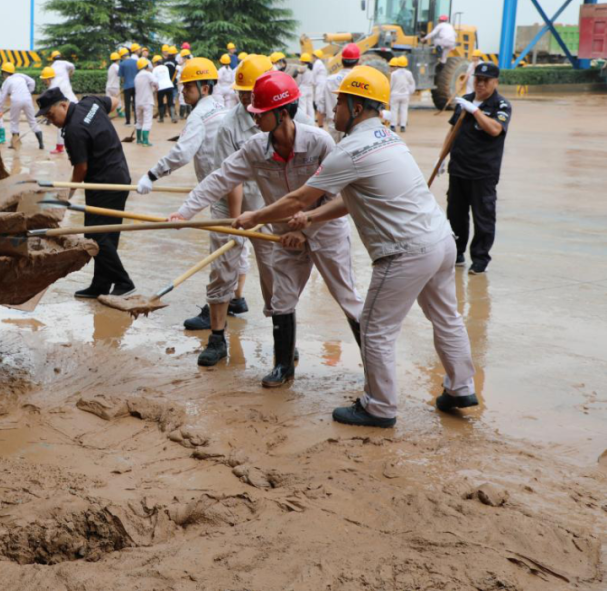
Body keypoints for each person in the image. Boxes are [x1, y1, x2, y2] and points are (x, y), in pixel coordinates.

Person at [233, 66, 478, 427]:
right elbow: (352, 200)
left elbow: (298, 198)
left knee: (375, 329)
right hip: (440, 241)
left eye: (340, 103)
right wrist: (312, 219)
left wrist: (254, 216)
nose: (333, 110)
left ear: (357, 107)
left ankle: (379, 407)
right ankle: (461, 388)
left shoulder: (349, 150)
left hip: (404, 251)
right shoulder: (390, 138)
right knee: (446, 318)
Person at [174, 70, 363, 384]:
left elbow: (337, 196)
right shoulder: (255, 148)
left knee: (346, 297)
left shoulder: (319, 142)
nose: (254, 118)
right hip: (284, 234)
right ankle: (283, 367)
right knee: (281, 299)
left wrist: (304, 230)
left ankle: (373, 367)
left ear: (283, 113)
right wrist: (184, 212)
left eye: (261, 113)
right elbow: (221, 178)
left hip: (325, 230)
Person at [137, 58, 234, 365]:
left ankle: (217, 332)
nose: (182, 92)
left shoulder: (200, 115)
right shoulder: (222, 107)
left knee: (222, 258)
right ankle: (236, 301)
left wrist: (152, 174)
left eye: (187, 87)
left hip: (221, 191)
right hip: (232, 187)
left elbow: (182, 152)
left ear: (204, 88)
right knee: (238, 250)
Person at [179, 54, 274, 333]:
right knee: (223, 265)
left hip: (268, 201)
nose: (245, 99)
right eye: (241, 93)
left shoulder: (294, 118)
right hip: (227, 197)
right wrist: (235, 225)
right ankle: (217, 336)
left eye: (250, 93)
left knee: (273, 268)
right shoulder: (229, 124)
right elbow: (230, 178)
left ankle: (283, 337)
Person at [37, 88, 135, 299]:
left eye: (51, 115)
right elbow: (115, 102)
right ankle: (101, 284)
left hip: (104, 184)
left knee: (95, 235)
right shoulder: (90, 102)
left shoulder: (73, 130)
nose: (51, 121)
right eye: (47, 118)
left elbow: (81, 169)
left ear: (63, 105)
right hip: (120, 175)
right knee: (108, 234)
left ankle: (123, 282)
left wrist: (67, 194)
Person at [446, 61, 512, 275]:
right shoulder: (464, 101)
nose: (481, 84)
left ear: (495, 82)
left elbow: (495, 129)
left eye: (486, 80)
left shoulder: (501, 105)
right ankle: (457, 253)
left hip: (483, 172)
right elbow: (452, 131)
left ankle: (480, 259)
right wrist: (443, 157)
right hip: (458, 169)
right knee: (455, 215)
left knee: (483, 217)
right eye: (478, 80)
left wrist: (475, 111)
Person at [320, 44, 360, 143]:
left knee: (333, 150)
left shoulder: (329, 80)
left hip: (332, 123)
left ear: (342, 60)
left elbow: (321, 103)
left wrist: (320, 124)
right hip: (351, 125)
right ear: (358, 61)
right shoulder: (358, 81)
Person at [0, 62, 42, 150]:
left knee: (14, 121)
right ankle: (41, 144)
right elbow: (32, 82)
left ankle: (15, 143)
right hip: (27, 98)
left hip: (15, 100)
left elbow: (3, 96)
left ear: (4, 73)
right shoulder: (20, 75)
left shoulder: (7, 81)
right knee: (32, 120)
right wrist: (29, 91)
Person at [49, 51, 78, 154]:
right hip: (74, 101)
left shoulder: (52, 69)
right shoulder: (65, 63)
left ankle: (59, 147)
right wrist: (70, 74)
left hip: (63, 103)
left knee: (60, 124)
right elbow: (72, 66)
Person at [388, 56, 416, 133]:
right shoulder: (409, 73)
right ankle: (403, 126)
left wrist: (389, 93)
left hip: (395, 95)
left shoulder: (394, 74)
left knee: (394, 110)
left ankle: (393, 125)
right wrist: (409, 92)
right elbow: (412, 84)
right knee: (404, 110)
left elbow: (391, 85)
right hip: (405, 95)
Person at [133, 58, 157, 147]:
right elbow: (155, 82)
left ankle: (139, 140)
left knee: (139, 121)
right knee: (147, 121)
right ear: (147, 66)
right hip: (147, 101)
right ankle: (145, 141)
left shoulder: (137, 76)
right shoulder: (148, 74)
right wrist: (155, 87)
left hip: (138, 102)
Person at [119, 44, 140, 126]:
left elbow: (122, 78)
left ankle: (128, 122)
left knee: (127, 104)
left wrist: (123, 85)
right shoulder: (136, 62)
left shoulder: (122, 64)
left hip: (127, 86)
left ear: (122, 56)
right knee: (135, 103)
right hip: (136, 86)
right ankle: (136, 121)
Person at [153, 54, 176, 123]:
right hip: (169, 85)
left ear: (155, 63)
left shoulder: (155, 69)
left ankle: (161, 118)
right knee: (170, 102)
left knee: (160, 102)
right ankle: (173, 118)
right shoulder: (165, 67)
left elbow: (154, 80)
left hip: (160, 87)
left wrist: (154, 88)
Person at [296, 52, 316, 124]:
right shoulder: (312, 68)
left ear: (303, 61)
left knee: (302, 106)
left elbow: (298, 80)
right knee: (310, 106)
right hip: (310, 88)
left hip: (303, 88)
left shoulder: (302, 69)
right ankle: (312, 122)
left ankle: (303, 123)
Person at [310, 50, 328, 122]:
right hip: (321, 84)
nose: (312, 57)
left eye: (313, 56)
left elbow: (314, 73)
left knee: (319, 101)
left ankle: (320, 119)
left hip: (320, 85)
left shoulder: (317, 63)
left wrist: (313, 83)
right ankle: (321, 117)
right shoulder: (320, 63)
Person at [176, 48, 193, 119]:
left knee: (182, 99)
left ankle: (182, 115)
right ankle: (188, 114)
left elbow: (181, 74)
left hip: (183, 84)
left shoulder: (184, 66)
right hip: (189, 84)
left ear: (184, 57)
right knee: (188, 98)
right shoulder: (191, 64)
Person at [105, 51, 122, 118]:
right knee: (118, 100)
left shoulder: (110, 67)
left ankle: (106, 113)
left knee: (108, 100)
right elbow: (120, 73)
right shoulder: (116, 66)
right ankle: (120, 112)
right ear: (118, 59)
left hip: (108, 86)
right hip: (115, 86)